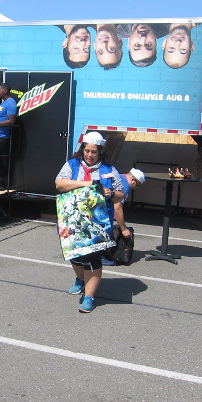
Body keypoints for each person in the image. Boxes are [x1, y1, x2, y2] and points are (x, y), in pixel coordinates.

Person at [55, 131, 124, 313]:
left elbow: (120, 194)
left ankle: (89, 297)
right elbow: (59, 184)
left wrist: (111, 193)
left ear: (100, 152)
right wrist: (87, 184)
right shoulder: (72, 165)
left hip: (97, 222)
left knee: (92, 258)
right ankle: (80, 279)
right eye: (87, 151)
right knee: (75, 255)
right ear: (82, 150)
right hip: (72, 219)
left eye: (94, 152)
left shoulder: (109, 170)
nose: (90, 155)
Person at [102, 168, 145, 266]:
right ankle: (99, 256)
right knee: (103, 231)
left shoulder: (119, 177)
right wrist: (124, 229)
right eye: (137, 185)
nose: (135, 188)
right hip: (102, 210)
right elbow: (117, 208)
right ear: (133, 180)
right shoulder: (124, 185)